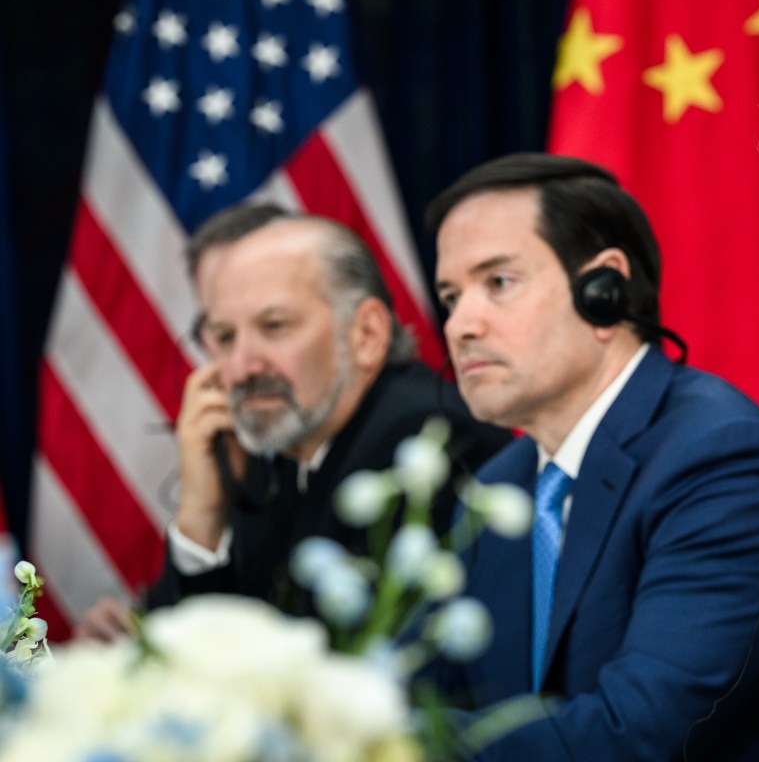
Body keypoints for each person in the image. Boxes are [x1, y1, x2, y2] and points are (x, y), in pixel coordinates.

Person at [427, 153, 759, 761]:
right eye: (451, 297)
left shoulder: (722, 461)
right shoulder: (498, 487)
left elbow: (637, 735)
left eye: (498, 283)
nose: (460, 326)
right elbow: (421, 685)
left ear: (603, 291)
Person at [75, 205, 510, 640]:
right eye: (225, 337)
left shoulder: (426, 439)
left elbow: (313, 679)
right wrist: (201, 515)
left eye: (275, 326)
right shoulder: (280, 449)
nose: (242, 367)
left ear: (366, 335)